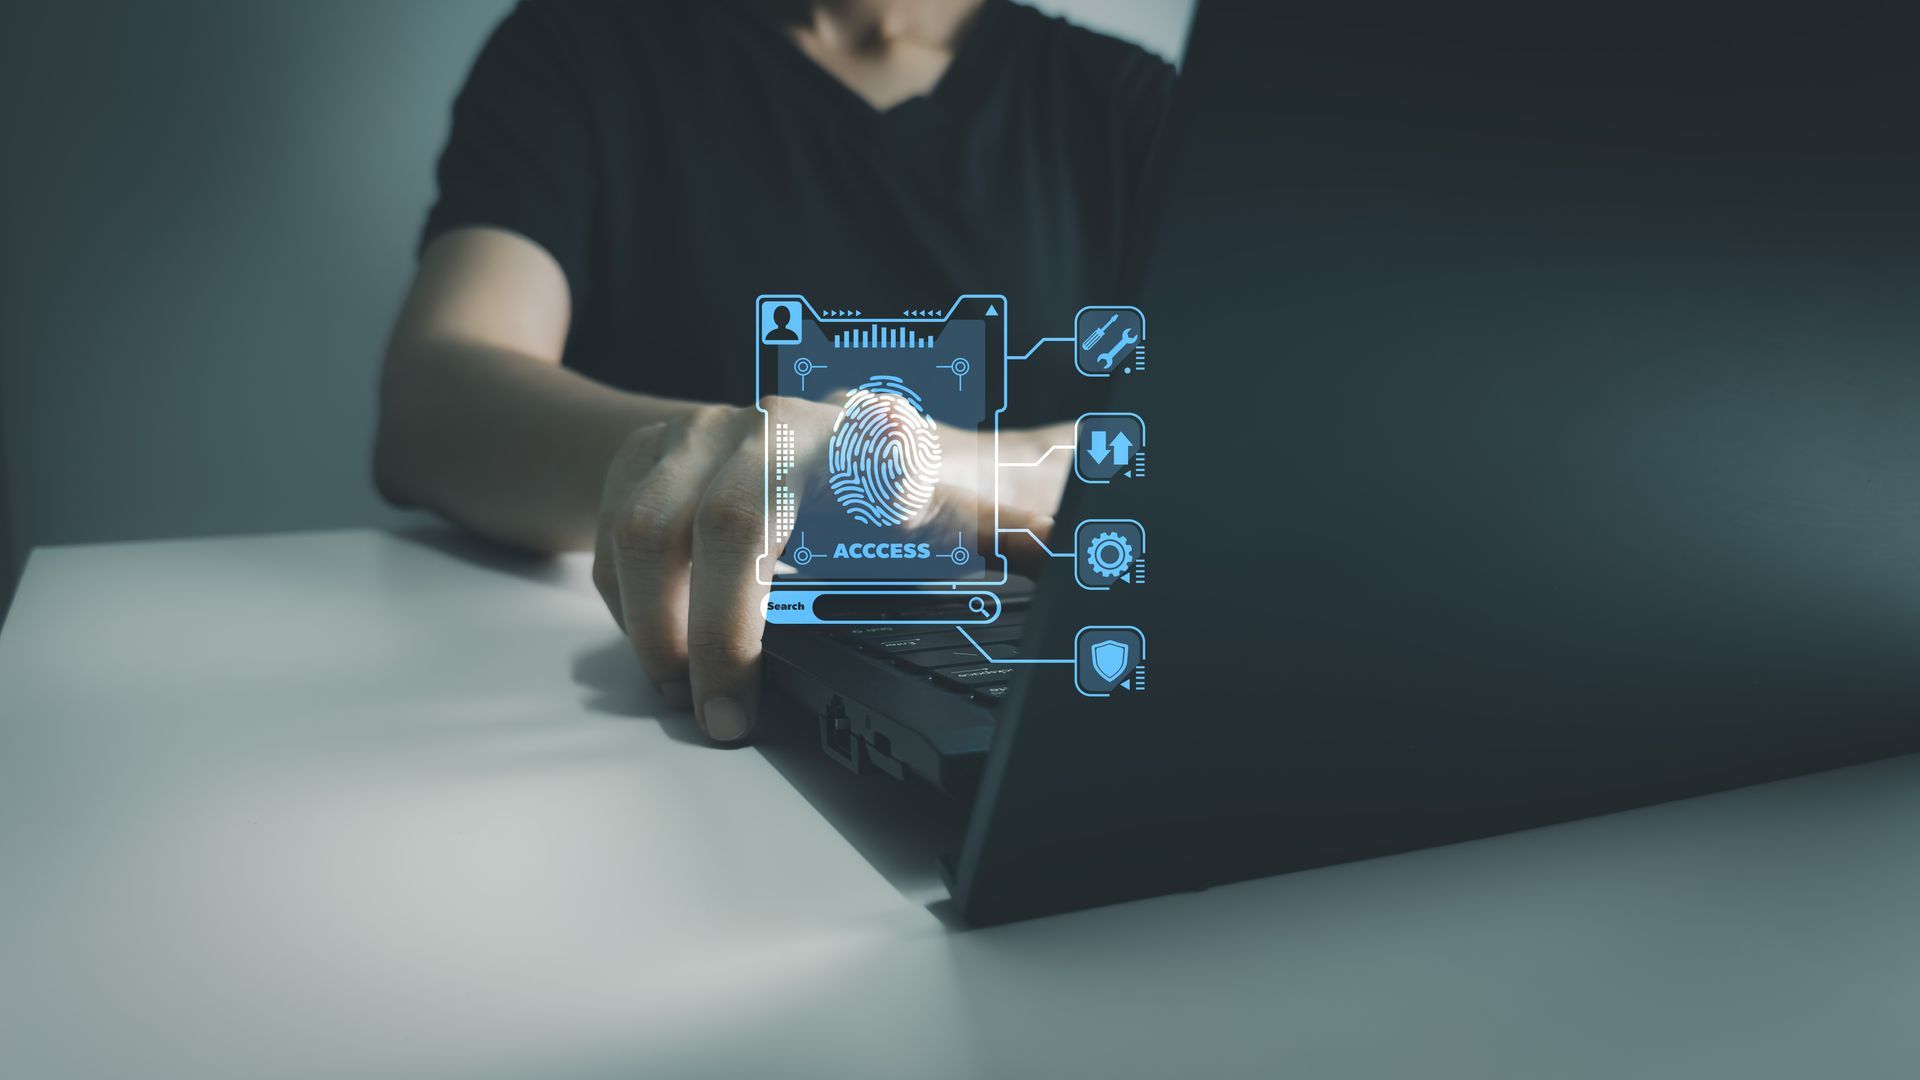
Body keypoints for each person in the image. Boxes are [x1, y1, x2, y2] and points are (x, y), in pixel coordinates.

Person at [374, 0, 1176, 743]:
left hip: (1052, 670)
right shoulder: (577, 44)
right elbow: (435, 398)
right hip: (646, 702)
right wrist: (706, 457)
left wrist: (902, 463)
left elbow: (1243, 431)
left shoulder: (1130, 101)